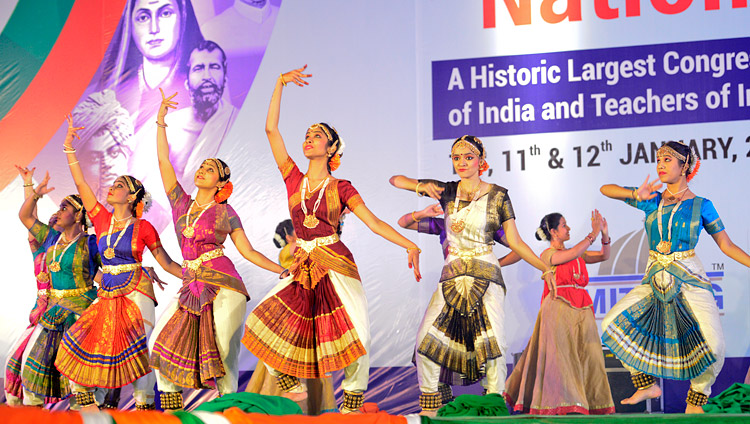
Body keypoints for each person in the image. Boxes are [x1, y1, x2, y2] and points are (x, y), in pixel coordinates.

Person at [241, 66, 422, 414]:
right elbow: (270, 129)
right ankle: (290, 386)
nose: (308, 138)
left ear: (332, 148)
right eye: (307, 134)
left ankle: (350, 407)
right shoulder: (293, 178)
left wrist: (409, 244)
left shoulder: (342, 188)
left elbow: (373, 221)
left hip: (335, 261)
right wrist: (279, 84)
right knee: (261, 321)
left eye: (318, 135)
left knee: (360, 337)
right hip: (301, 264)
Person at [389, 135, 554, 416]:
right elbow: (395, 180)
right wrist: (420, 187)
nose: (462, 162)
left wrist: (545, 267)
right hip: (451, 276)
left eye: (468, 157)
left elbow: (515, 242)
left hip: (487, 275)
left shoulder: (499, 194)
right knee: (425, 342)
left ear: (481, 161)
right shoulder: (446, 192)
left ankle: (494, 405)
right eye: (456, 157)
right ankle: (430, 407)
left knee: (494, 343)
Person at [150, 89, 285, 411]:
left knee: (222, 350)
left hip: (226, 286)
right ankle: (172, 414)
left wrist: (280, 270)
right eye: (201, 167)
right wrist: (160, 121)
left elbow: (248, 251)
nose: (202, 170)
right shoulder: (180, 201)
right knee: (160, 346)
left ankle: (228, 411)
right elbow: (162, 161)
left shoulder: (226, 212)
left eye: (210, 169)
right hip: (191, 287)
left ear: (222, 182)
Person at [599, 140, 750, 414]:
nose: (660, 165)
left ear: (685, 167)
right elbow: (605, 189)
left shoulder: (702, 205)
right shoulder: (651, 200)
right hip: (655, 278)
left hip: (689, 278)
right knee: (611, 323)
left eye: (668, 160)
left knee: (714, 346)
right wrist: (636, 192)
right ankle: (645, 384)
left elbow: (726, 246)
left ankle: (696, 401)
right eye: (658, 160)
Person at [54, 116, 183, 411]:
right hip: (108, 291)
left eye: (119, 185)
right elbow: (80, 183)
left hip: (137, 290)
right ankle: (89, 402)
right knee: (80, 339)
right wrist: (68, 148)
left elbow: (165, 262)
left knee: (138, 348)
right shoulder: (100, 218)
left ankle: (144, 406)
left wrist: (196, 274)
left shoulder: (145, 227)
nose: (112, 188)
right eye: (113, 184)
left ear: (133, 196)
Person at [397, 204, 520, 406]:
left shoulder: (488, 225)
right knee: (438, 339)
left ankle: (490, 401)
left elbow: (519, 248)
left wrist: (490, 263)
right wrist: (422, 213)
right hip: (452, 286)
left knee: (487, 340)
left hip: (482, 287)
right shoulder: (443, 225)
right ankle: (437, 400)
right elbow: (403, 222)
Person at [504, 211, 615, 415]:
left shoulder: (577, 251)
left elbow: (603, 255)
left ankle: (590, 403)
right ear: (554, 232)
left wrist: (604, 235)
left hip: (582, 308)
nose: (569, 228)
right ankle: (566, 405)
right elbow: (570, 255)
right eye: (564, 225)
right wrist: (592, 233)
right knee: (563, 358)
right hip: (558, 307)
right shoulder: (547, 255)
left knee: (591, 356)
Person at [17, 173, 100, 407]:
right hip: (53, 311)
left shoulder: (92, 243)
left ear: (79, 215)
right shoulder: (52, 237)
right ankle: (31, 416)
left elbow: (108, 272)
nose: (59, 211)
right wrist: (34, 194)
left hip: (80, 313)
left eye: (65, 207)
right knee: (32, 368)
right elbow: (25, 216)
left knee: (77, 376)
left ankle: (83, 414)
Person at [244, 219, 337, 415]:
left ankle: (306, 403)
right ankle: (287, 404)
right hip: (293, 303)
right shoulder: (290, 249)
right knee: (290, 350)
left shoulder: (298, 248)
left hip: (306, 302)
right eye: (298, 229)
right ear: (288, 236)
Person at [99, 0, 204, 131]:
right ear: (129, 25)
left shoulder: (203, 89)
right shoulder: (110, 96)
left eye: (165, 13)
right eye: (143, 17)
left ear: (183, 16)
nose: (154, 28)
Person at [4, 167, 57, 406]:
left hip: (62, 314)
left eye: (57, 221)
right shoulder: (40, 249)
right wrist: (29, 186)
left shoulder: (76, 250)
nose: (52, 222)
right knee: (14, 367)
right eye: (50, 221)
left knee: (33, 371)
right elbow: (30, 221)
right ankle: (23, 415)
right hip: (39, 313)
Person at [163, 40, 238, 193]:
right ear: (186, 82)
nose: (207, 76)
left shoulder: (237, 121)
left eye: (214, 67)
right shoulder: (169, 127)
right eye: (198, 68)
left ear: (225, 78)